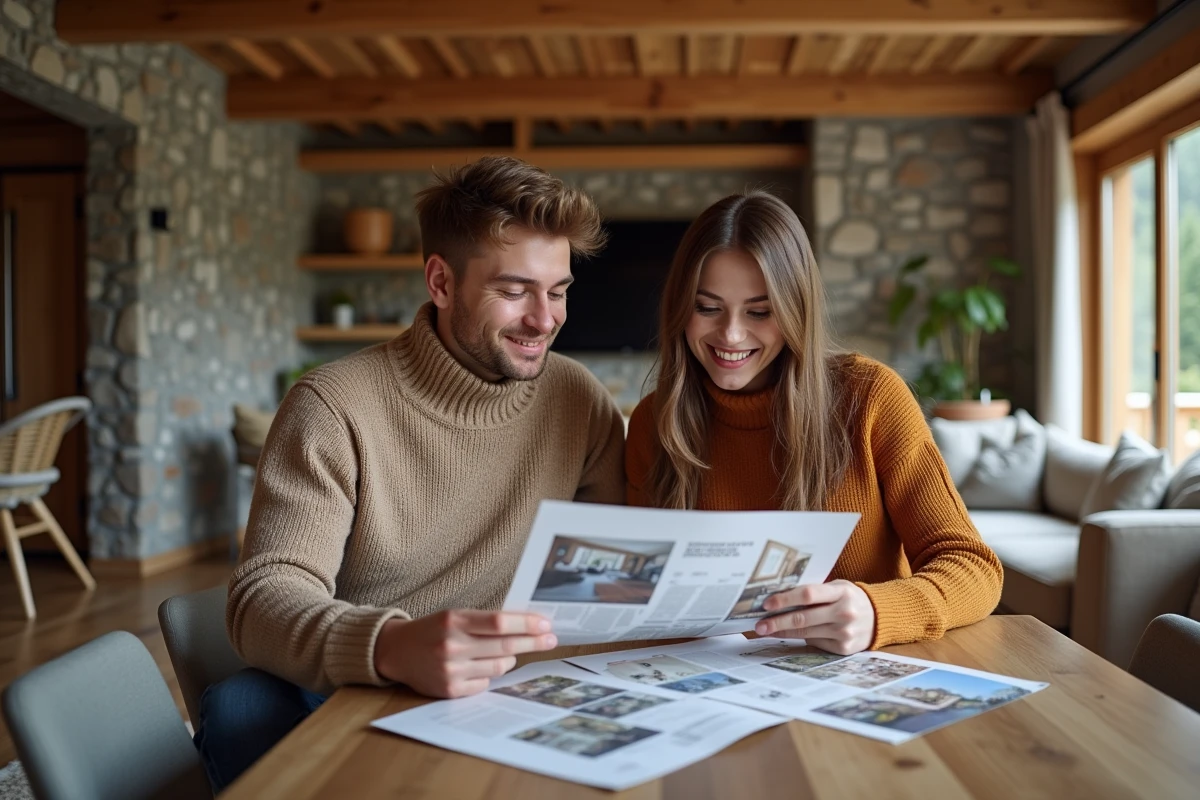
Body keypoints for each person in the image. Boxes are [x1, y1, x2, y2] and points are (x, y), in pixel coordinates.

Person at [195, 156, 625, 792]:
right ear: (441, 281)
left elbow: (614, 563)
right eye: (513, 291)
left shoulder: (577, 398)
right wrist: (390, 647)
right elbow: (263, 597)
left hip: (522, 679)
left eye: (557, 291)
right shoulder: (333, 406)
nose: (545, 319)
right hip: (371, 679)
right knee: (239, 710)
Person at [625, 191, 1003, 655]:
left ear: (795, 310)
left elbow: (973, 566)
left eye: (760, 312)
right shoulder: (652, 423)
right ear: (680, 308)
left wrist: (875, 609)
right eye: (708, 307)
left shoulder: (869, 398)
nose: (731, 334)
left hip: (857, 682)